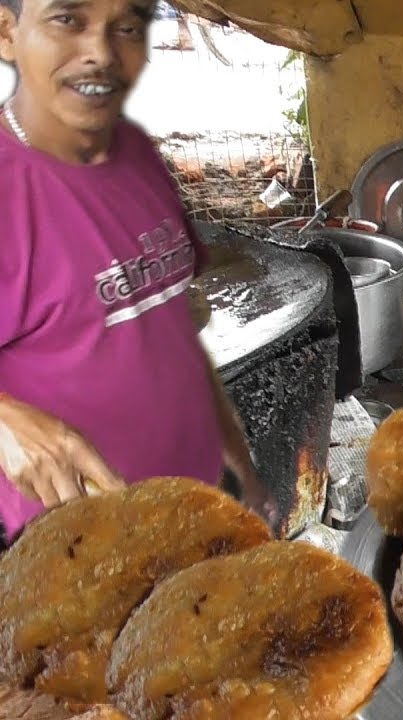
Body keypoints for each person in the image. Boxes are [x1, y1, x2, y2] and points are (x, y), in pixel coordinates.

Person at [0, 0, 276, 547]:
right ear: (7, 33)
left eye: (125, 27)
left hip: (191, 516)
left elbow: (171, 331)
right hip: (72, 551)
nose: (100, 53)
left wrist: (242, 467)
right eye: (67, 20)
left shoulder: (137, 154)